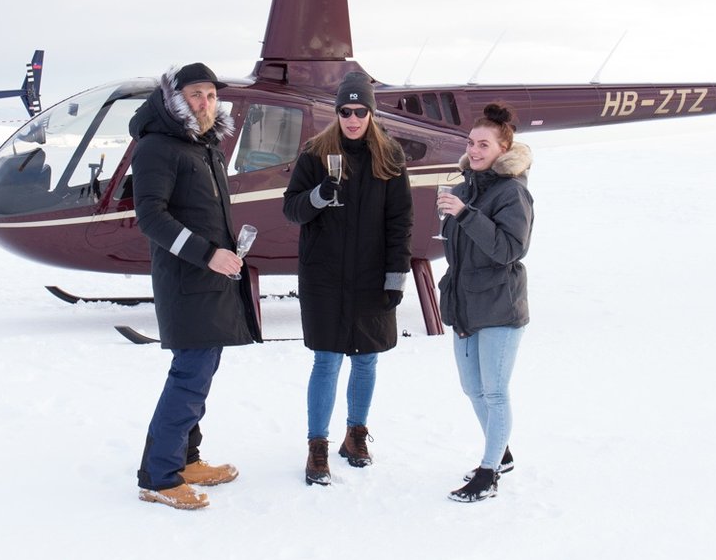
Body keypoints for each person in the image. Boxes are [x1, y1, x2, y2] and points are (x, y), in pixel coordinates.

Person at [129, 62, 263, 509]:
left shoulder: (202, 145)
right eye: (194, 95)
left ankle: (186, 459)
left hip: (213, 279)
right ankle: (160, 477)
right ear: (174, 98)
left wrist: (226, 250)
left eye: (209, 95)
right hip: (187, 280)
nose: (204, 103)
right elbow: (151, 216)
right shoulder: (156, 147)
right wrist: (208, 253)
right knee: (189, 377)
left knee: (200, 374)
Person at [282, 75, 414, 485]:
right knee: (326, 360)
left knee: (366, 360)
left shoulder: (390, 156)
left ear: (371, 113)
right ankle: (317, 446)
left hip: (371, 277)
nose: (353, 119)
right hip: (324, 278)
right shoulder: (315, 153)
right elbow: (292, 210)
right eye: (345, 111)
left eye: (360, 111)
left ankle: (355, 435)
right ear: (336, 113)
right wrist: (319, 195)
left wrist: (395, 276)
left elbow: (400, 222)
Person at [435, 102, 533, 503]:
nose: (474, 151)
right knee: (471, 387)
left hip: (499, 306)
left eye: (484, 144)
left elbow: (509, 250)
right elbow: (457, 248)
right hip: (465, 304)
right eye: (471, 143)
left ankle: (489, 472)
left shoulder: (514, 192)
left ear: (503, 147)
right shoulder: (463, 188)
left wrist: (465, 215)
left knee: (494, 392)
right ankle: (502, 452)